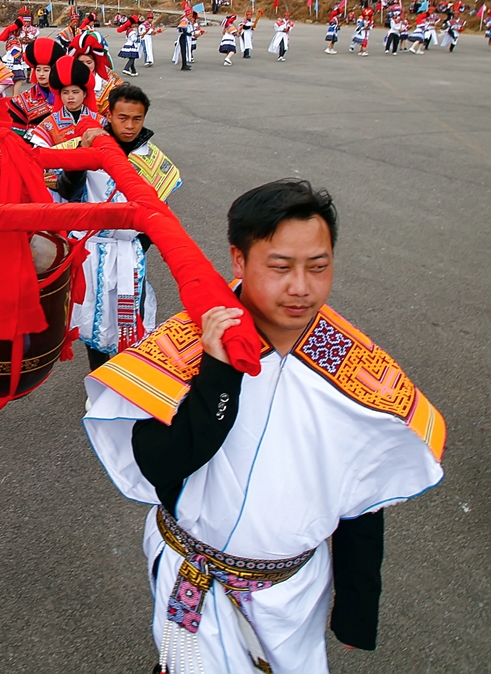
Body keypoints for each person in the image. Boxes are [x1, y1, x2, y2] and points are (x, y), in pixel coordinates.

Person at [83, 179, 445, 674]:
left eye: (318, 267)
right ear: (239, 260)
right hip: (192, 572)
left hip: (293, 591)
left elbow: (366, 485)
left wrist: (358, 609)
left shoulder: (354, 368)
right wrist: (219, 374)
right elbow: (158, 462)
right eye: (280, 267)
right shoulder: (188, 341)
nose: (301, 287)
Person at [55, 85, 180, 376]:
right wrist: (81, 157)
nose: (129, 125)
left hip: (129, 250)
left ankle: (127, 374)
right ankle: (99, 375)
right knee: (92, 315)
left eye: (137, 119)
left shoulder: (152, 158)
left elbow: (159, 208)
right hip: (91, 247)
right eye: (122, 117)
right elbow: (67, 191)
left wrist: (137, 245)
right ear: (108, 114)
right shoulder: (88, 144)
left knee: (131, 311)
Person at [0, 37, 65, 138]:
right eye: (38, 70)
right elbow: (18, 132)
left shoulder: (65, 95)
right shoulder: (22, 100)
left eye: (46, 70)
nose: (41, 74)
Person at [26, 55, 101, 148]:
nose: (70, 97)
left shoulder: (100, 121)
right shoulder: (49, 124)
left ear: (84, 94)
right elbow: (39, 153)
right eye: (65, 93)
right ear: (60, 95)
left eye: (75, 92)